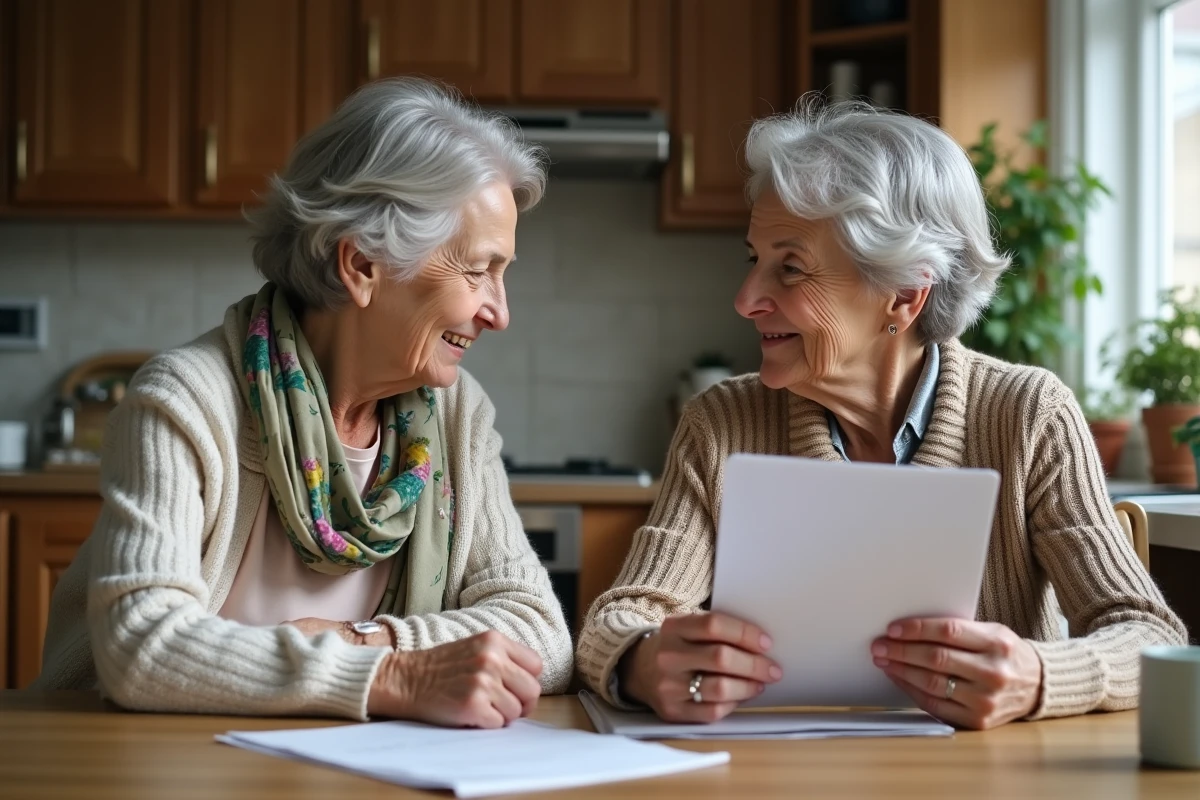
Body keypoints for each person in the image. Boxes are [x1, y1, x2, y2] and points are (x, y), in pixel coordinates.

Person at [576, 101, 1187, 730]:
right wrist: (641, 661)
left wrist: (1037, 677)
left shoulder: (1028, 414)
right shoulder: (722, 422)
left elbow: (1145, 633)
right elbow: (617, 619)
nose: (746, 299)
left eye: (790, 268)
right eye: (753, 259)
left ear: (903, 294)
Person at [36, 78, 572, 728]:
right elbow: (141, 645)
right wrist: (395, 676)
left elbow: (540, 634)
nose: (500, 312)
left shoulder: (456, 418)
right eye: (478, 270)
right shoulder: (187, 401)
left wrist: (366, 643)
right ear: (362, 266)